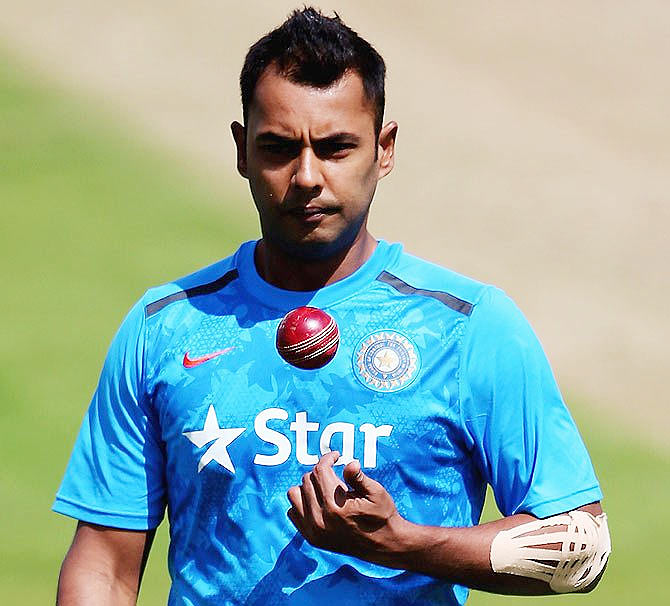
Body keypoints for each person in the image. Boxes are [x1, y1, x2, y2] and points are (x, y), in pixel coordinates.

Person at [53, 7, 610, 606]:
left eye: (336, 147)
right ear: (242, 150)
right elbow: (104, 566)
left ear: (384, 149)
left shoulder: (467, 328)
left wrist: (404, 543)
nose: (307, 176)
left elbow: (580, 546)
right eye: (278, 147)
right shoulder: (165, 327)